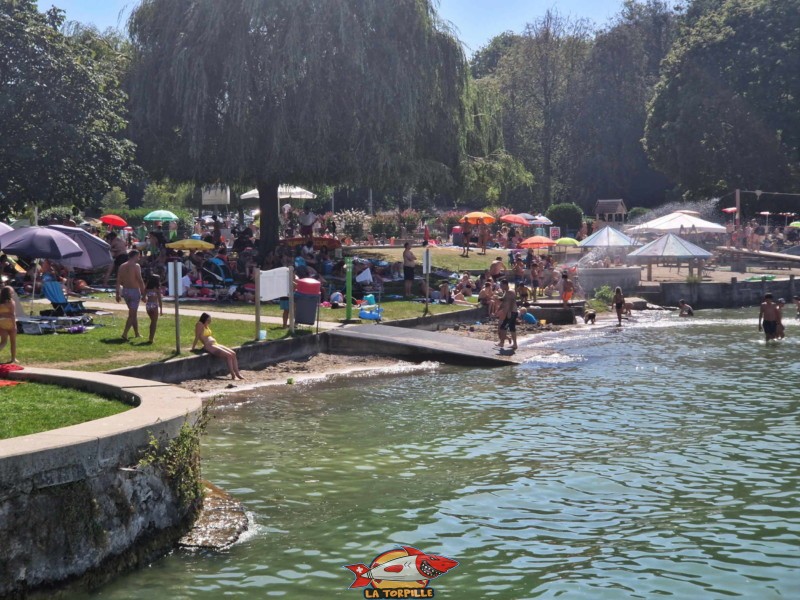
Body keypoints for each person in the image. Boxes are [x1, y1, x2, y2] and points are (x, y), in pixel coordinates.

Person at [192, 313, 244, 380]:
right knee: (228, 355)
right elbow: (197, 336)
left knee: (233, 354)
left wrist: (207, 324)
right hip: (209, 345)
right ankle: (233, 375)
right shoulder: (199, 324)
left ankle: (237, 373)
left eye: (210, 320)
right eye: (208, 320)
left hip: (215, 343)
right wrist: (193, 348)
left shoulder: (206, 325)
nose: (209, 322)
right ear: (203, 319)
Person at [116, 250, 146, 340]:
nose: (139, 258)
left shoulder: (122, 266)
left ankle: (137, 333)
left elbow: (118, 281)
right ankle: (125, 333)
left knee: (133, 313)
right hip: (134, 291)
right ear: (135, 256)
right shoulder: (136, 266)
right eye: (138, 256)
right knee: (132, 314)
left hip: (125, 291)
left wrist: (117, 293)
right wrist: (144, 293)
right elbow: (140, 280)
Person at [496, 279, 518, 350]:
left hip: (512, 312)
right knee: (512, 328)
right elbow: (504, 302)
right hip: (511, 312)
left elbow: (512, 302)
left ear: (506, 285)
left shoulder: (511, 292)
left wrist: (509, 312)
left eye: (502, 285)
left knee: (503, 328)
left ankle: (502, 343)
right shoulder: (505, 292)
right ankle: (515, 344)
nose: (501, 286)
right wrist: (498, 310)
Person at [0, 286, 18, 363]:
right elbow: (12, 314)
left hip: (1, 322)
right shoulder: (11, 302)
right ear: (9, 293)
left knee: (3, 342)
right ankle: (13, 358)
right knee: (13, 342)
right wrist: (14, 325)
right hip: (10, 322)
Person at [144, 275, 163, 344]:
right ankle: (151, 338)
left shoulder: (147, 288)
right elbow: (160, 300)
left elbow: (143, 297)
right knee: (154, 322)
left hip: (148, 305)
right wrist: (161, 309)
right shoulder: (157, 289)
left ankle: (150, 337)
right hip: (154, 305)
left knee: (152, 321)